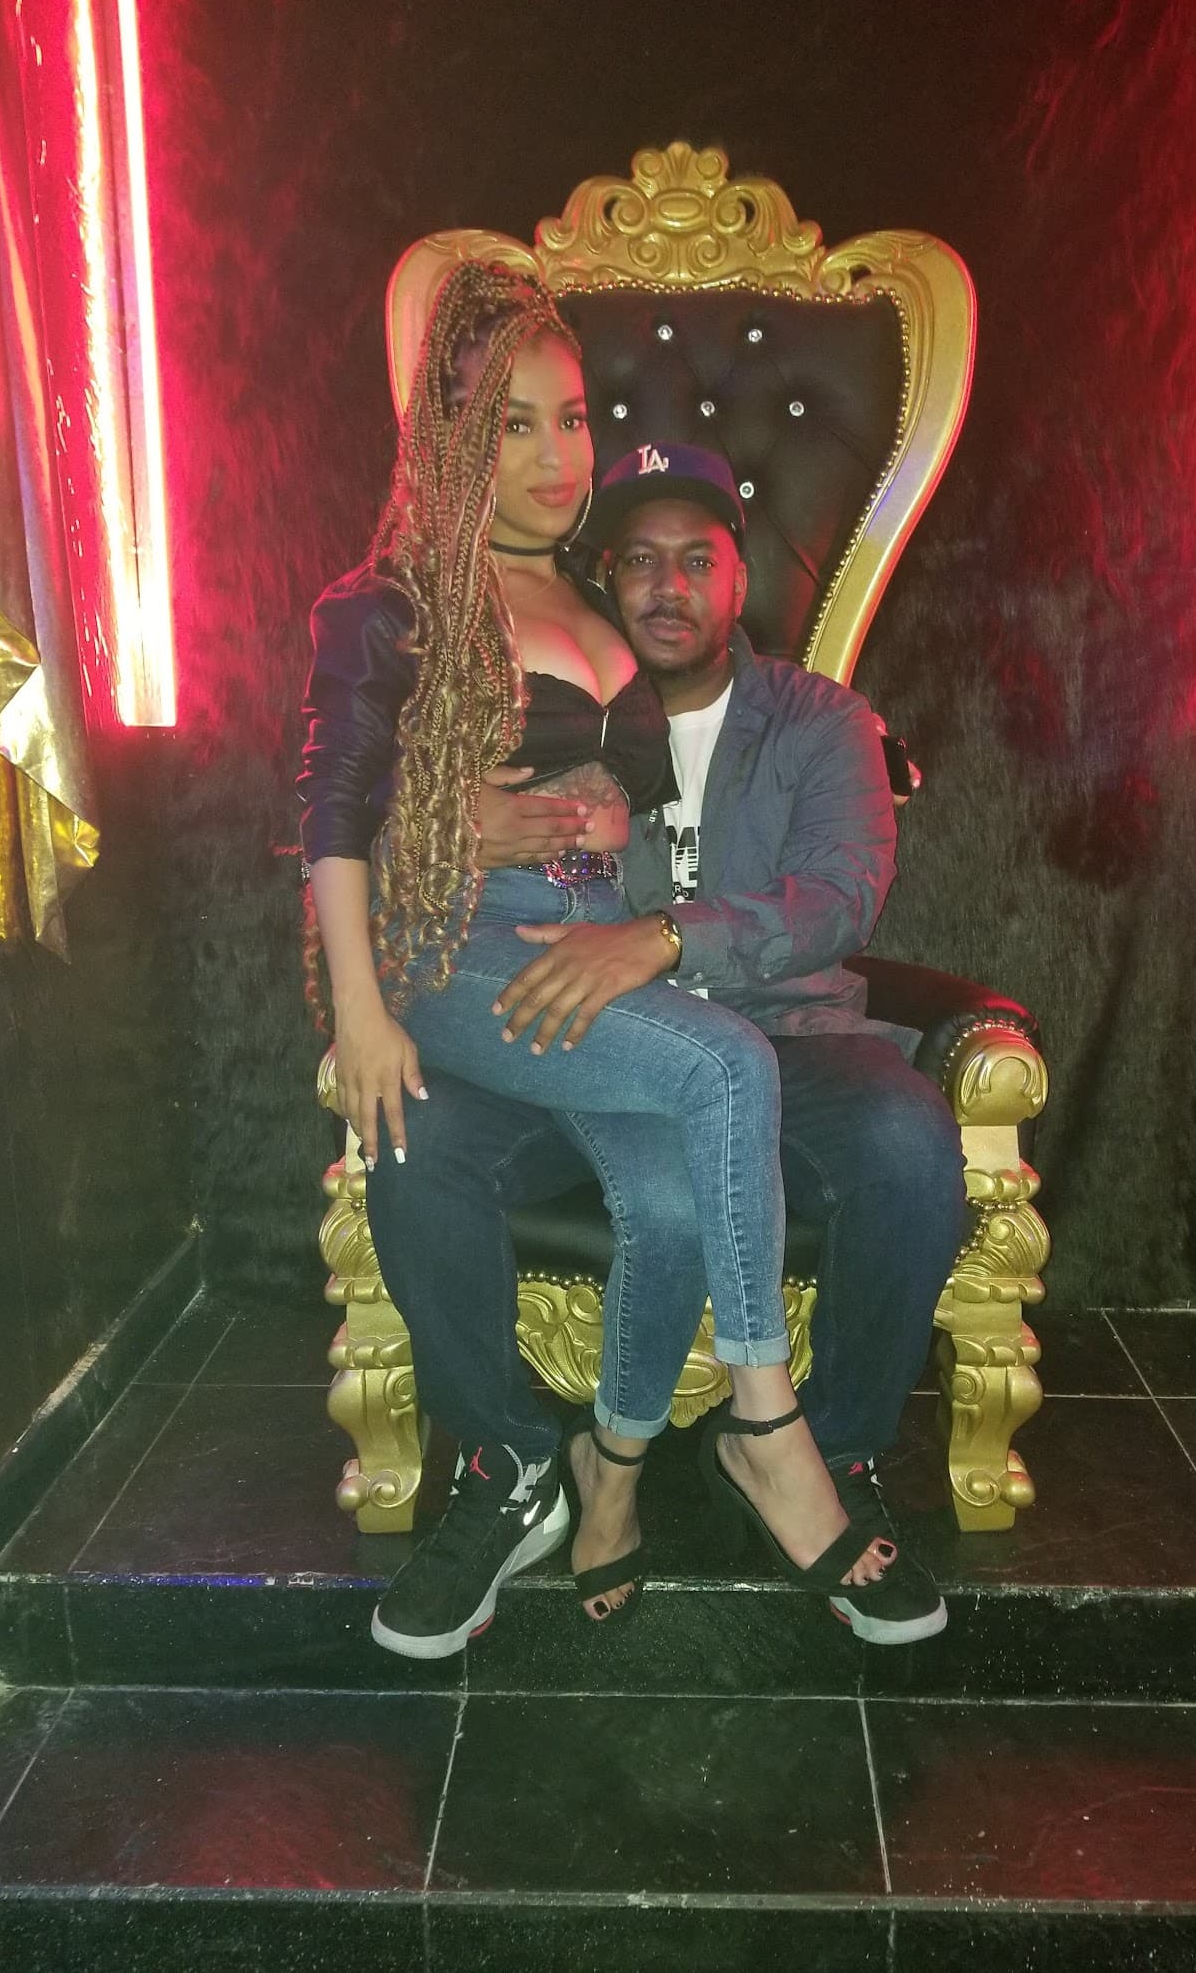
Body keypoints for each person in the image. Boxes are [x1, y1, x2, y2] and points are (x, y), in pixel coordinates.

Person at [298, 263, 919, 1662]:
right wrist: (362, 1004)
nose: (551, 456)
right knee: (724, 1066)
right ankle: (762, 1434)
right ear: (449, 438)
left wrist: (605, 808)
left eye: (568, 419)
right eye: (507, 423)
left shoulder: (587, 592)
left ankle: (605, 1480)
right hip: (461, 947)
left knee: (677, 1210)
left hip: (586, 947)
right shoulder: (393, 602)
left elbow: (628, 800)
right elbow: (329, 815)